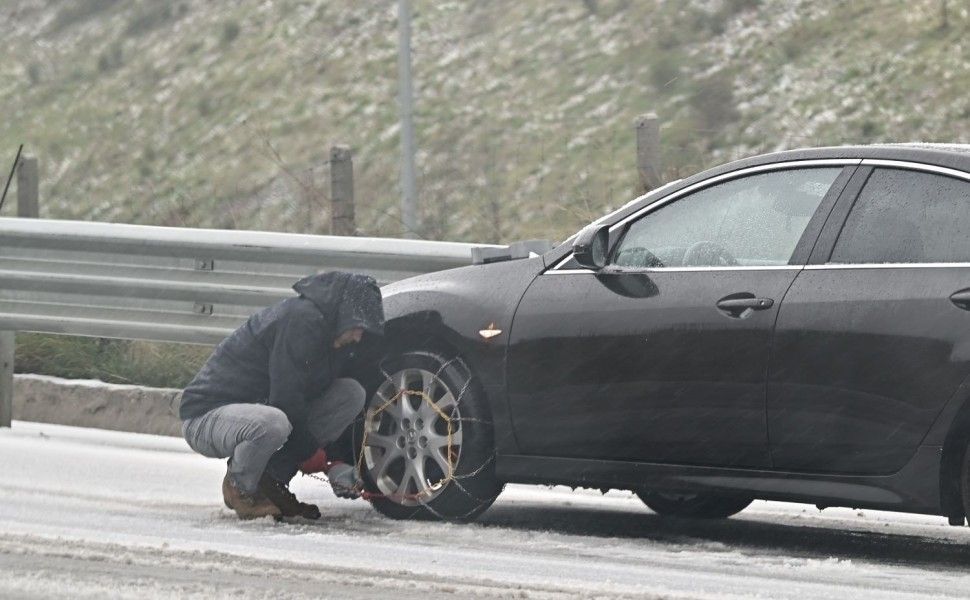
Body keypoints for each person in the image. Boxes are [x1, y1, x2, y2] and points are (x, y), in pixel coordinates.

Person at [177, 271, 384, 520]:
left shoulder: (333, 338)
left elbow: (311, 404)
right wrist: (321, 461)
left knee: (350, 393)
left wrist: (336, 461)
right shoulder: (300, 321)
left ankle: (270, 482)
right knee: (273, 423)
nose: (358, 336)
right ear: (344, 314)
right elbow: (286, 399)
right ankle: (240, 487)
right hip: (207, 416)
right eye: (358, 326)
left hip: (258, 412)